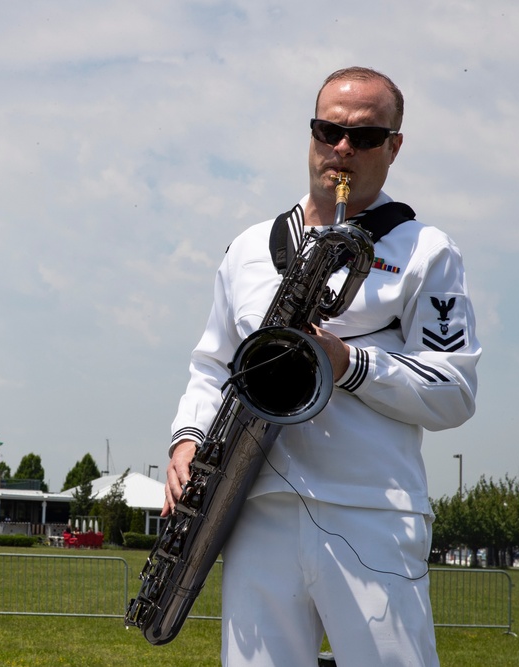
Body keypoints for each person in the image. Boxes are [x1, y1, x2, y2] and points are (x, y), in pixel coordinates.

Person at [164, 67, 480, 666]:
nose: (341, 149)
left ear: (394, 146)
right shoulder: (248, 248)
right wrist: (185, 441)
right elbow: (211, 368)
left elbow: (455, 391)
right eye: (327, 130)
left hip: (371, 513)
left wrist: (350, 363)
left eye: (363, 138)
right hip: (256, 513)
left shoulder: (428, 251)